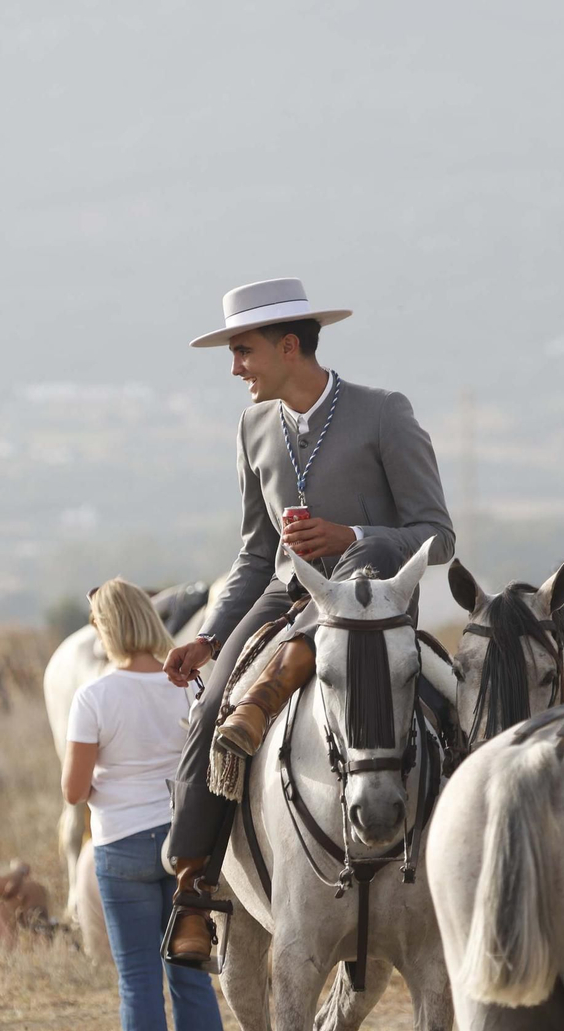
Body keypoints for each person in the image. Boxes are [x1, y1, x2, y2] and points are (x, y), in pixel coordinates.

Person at [161, 278, 456, 966]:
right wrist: (208, 637)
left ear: (288, 346)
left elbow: (439, 538)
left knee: (464, 708)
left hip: (371, 609)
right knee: (210, 709)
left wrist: (351, 536)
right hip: (285, 597)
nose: (236, 368)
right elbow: (255, 554)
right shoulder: (252, 426)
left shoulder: (384, 414)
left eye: (243, 351)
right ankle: (194, 887)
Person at [64, 578, 225, 1031]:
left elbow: (73, 791)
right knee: (192, 977)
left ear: (106, 628)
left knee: (138, 982)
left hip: (121, 845)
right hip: (185, 844)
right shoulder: (188, 686)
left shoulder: (93, 697)